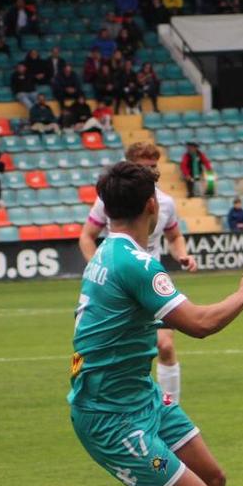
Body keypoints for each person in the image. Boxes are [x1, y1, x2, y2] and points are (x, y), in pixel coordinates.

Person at [73, 161, 243, 486]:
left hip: (136, 394)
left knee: (214, 481)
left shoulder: (106, 252)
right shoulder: (135, 263)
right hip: (109, 414)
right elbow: (199, 325)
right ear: (151, 207)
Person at [81, 142, 197, 405]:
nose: (152, 171)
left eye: (154, 166)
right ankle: (120, 401)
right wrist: (96, 267)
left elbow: (175, 236)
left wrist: (182, 254)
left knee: (165, 346)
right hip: (122, 280)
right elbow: (87, 237)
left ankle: (170, 407)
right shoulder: (110, 199)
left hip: (151, 280)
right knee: (126, 351)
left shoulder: (165, 202)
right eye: (144, 167)